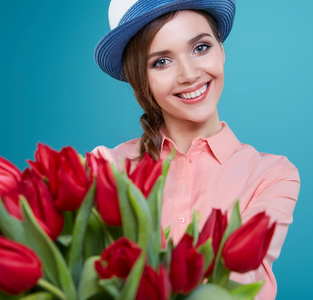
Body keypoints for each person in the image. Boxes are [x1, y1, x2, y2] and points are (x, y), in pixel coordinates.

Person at [92, 0, 300, 299]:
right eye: (161, 61)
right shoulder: (105, 167)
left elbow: (238, 285)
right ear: (141, 79)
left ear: (222, 51)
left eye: (200, 48)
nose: (189, 74)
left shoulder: (273, 175)